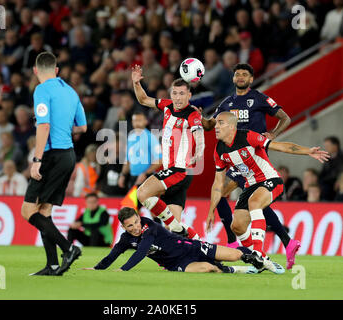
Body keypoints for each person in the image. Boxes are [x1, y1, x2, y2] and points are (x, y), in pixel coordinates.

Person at [197, 63, 300, 270]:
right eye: (238, 74)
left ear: (251, 79)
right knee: (240, 198)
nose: (241, 77)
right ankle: (287, 241)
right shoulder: (227, 102)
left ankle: (235, 241)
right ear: (233, 79)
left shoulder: (260, 98)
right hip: (234, 157)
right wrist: (202, 118)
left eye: (245, 74)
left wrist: (273, 134)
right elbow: (211, 125)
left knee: (226, 193)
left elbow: (285, 118)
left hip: (253, 156)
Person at [207, 112, 329, 272]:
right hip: (250, 185)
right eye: (216, 123)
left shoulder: (248, 136)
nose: (215, 126)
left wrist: (307, 151)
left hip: (270, 180)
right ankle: (264, 261)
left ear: (231, 126)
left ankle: (257, 252)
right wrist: (211, 210)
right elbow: (218, 184)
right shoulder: (219, 151)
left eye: (220, 123)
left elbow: (280, 146)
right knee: (237, 226)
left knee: (254, 202)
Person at [21, 52, 87, 276]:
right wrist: (64, 128)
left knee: (28, 210)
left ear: (36, 71)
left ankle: (69, 248)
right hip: (68, 156)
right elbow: (83, 127)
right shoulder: (71, 91)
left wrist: (37, 160)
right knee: (44, 211)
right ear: (57, 70)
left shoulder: (41, 90)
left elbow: (44, 127)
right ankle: (53, 264)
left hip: (51, 156)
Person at [131, 65, 204, 239]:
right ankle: (195, 242)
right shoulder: (167, 106)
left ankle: (179, 230)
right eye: (175, 93)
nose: (178, 97)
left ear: (189, 95)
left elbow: (199, 134)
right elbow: (143, 99)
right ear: (171, 94)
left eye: (182, 94)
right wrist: (136, 83)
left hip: (180, 171)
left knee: (142, 193)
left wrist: (199, 150)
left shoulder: (192, 115)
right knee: (173, 232)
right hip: (177, 172)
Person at [85, 207, 266, 273]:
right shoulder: (126, 239)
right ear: (123, 228)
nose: (135, 228)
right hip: (177, 263)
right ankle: (234, 271)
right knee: (209, 268)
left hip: (192, 248)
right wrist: (97, 268)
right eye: (130, 226)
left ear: (139, 219)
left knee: (235, 254)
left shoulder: (150, 227)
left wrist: (124, 269)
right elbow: (113, 254)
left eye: (136, 223)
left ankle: (259, 260)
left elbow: (142, 252)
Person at [118, 110, 162, 190]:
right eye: (135, 120)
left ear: (146, 121)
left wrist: (145, 173)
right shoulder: (131, 137)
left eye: (140, 120)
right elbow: (128, 160)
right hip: (133, 178)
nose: (137, 123)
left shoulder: (151, 137)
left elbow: (159, 160)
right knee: (133, 202)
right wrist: (123, 175)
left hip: (147, 178)